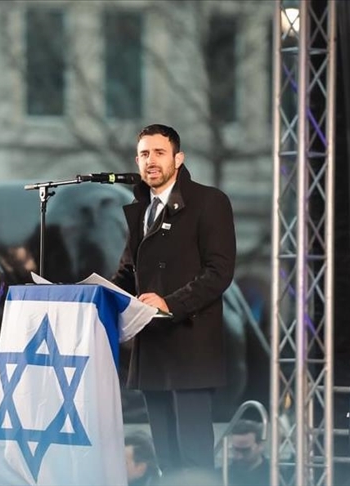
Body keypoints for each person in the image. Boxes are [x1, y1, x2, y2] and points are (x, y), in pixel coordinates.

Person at [112, 124, 236, 473]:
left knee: (194, 462)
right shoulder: (141, 209)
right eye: (144, 154)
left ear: (178, 159)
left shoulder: (209, 202)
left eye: (159, 152)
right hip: (152, 347)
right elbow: (127, 273)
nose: (150, 160)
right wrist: (91, 297)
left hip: (190, 347)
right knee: (166, 461)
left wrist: (170, 303)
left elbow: (219, 272)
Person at [219, 420, 269, 486]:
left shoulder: (276, 476)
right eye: (236, 450)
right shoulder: (220, 476)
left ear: (260, 446)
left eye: (245, 450)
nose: (239, 456)